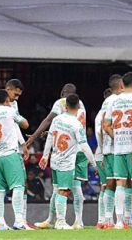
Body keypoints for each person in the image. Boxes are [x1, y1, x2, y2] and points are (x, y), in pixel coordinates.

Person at [32, 83, 87, 229]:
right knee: (76, 186)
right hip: (80, 149)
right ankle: (78, 221)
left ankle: (54, 220)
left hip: (66, 151)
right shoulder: (81, 105)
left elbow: (48, 120)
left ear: (62, 93)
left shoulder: (62, 102)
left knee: (59, 188)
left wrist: (34, 137)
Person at [39, 93, 97, 230]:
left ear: (65, 106)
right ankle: (59, 221)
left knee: (59, 189)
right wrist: (94, 163)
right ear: (78, 106)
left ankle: (72, 221)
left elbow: (50, 138)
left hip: (56, 158)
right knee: (64, 190)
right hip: (69, 159)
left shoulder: (57, 119)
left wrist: (45, 155)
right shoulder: (77, 124)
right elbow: (84, 145)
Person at [0, 79, 30, 230]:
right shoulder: (10, 109)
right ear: (6, 96)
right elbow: (24, 124)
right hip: (10, 153)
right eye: (14, 95)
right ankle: (18, 220)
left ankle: (1, 223)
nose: (15, 99)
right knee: (18, 186)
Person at [98, 73, 132, 229]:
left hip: (118, 148)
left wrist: (116, 137)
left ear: (122, 85)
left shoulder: (113, 101)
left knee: (120, 183)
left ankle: (118, 221)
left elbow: (105, 125)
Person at [96, 75, 123, 229]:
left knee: (108, 184)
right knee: (122, 183)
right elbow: (103, 128)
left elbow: (100, 130)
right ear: (120, 85)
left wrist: (101, 150)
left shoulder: (104, 104)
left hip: (106, 149)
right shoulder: (117, 101)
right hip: (117, 148)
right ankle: (124, 220)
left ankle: (107, 220)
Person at [93, 85, 114, 228]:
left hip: (100, 152)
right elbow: (101, 132)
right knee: (114, 186)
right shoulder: (109, 112)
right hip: (107, 152)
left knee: (104, 186)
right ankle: (108, 220)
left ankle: (101, 220)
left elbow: (98, 133)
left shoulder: (98, 114)